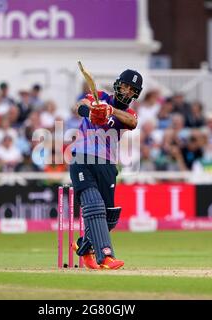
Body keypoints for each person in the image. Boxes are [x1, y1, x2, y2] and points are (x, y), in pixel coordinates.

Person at [70, 69, 143, 270]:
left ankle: (83, 246)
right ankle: (106, 257)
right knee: (94, 205)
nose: (126, 91)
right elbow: (79, 105)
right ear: (117, 84)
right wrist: (92, 111)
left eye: (131, 89)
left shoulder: (128, 113)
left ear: (135, 94)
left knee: (109, 216)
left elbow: (132, 122)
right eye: (124, 86)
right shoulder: (100, 97)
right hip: (82, 158)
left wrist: (110, 111)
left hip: (107, 164)